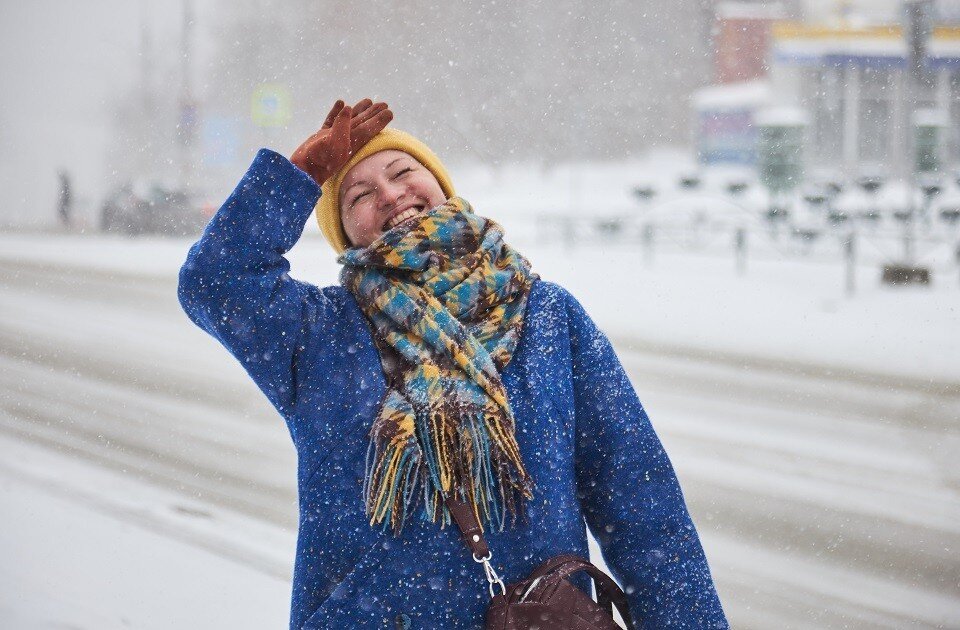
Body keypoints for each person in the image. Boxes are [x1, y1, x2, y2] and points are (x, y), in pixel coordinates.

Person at [177, 98, 728, 629]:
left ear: (440, 183)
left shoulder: (548, 317)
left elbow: (642, 509)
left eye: (401, 172)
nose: (391, 196)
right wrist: (297, 178)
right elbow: (214, 283)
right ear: (344, 233)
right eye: (359, 195)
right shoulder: (318, 332)